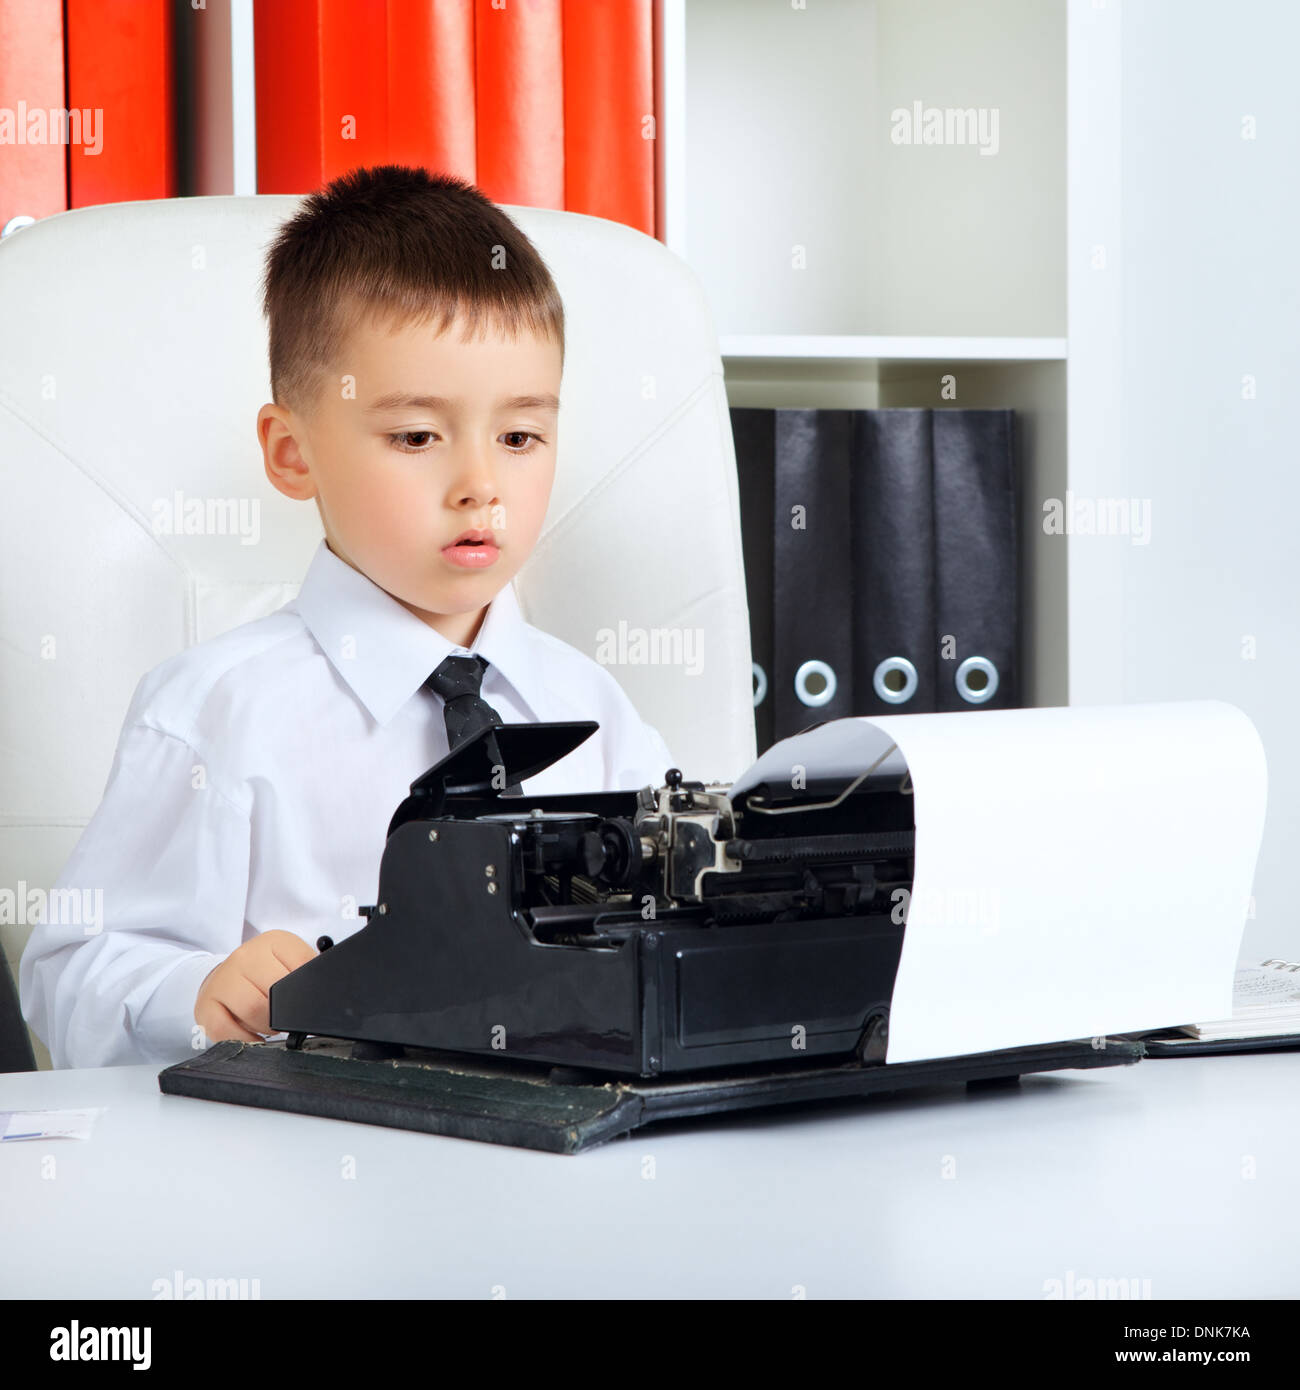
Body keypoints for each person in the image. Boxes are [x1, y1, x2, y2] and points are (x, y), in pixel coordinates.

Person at [20, 165, 676, 1069]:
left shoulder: (597, 708)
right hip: (305, 1169)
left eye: (520, 436)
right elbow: (69, 972)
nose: (480, 484)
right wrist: (198, 994)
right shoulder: (212, 713)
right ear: (293, 456)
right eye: (416, 437)